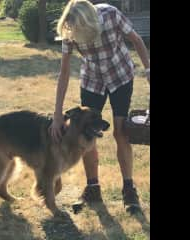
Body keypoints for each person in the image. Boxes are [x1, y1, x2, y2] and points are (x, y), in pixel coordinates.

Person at [49, 0, 150, 213]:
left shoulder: (111, 15)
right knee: (86, 133)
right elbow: (64, 73)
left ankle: (129, 189)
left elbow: (137, 40)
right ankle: (93, 188)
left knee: (121, 132)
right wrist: (57, 114)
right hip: (92, 80)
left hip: (120, 75)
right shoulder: (70, 28)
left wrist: (148, 71)